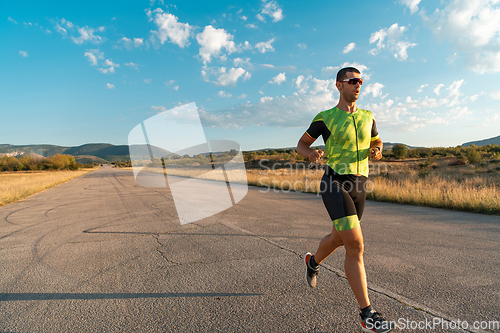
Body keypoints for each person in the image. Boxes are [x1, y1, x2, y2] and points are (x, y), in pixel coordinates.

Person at [296, 67, 394, 333]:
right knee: (356, 245)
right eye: (353, 81)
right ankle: (367, 314)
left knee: (340, 238)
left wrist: (377, 150)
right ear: (339, 85)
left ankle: (312, 262)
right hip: (334, 181)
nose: (358, 85)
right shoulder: (326, 117)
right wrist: (311, 155)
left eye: (361, 81)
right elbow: (301, 144)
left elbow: (378, 140)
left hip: (359, 183)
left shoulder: (368, 116)